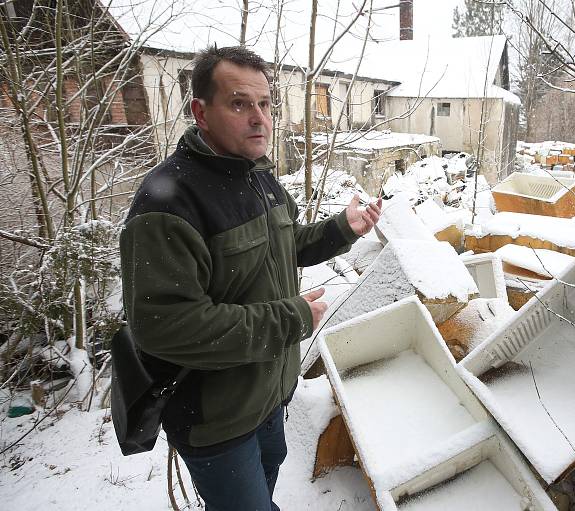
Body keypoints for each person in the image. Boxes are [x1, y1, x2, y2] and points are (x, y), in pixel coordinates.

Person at [119, 45, 381, 511]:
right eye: (240, 104)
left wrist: (343, 228)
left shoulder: (259, 178)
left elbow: (285, 247)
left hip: (269, 400)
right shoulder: (169, 203)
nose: (259, 118)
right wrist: (290, 321)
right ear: (201, 111)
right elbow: (164, 326)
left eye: (265, 104)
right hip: (219, 420)